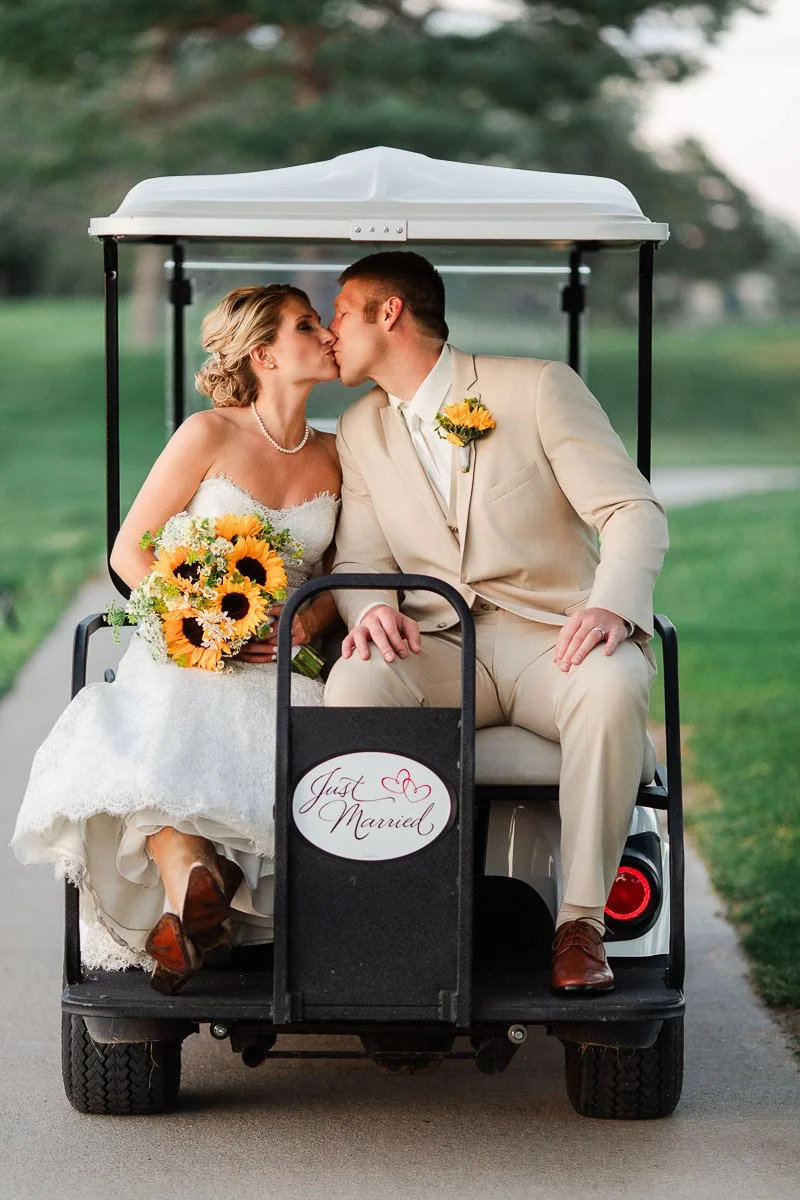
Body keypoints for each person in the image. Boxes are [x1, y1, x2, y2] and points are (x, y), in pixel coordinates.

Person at [324, 251, 669, 995]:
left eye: (342, 311)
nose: (330, 329)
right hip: (443, 644)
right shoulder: (359, 426)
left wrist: (610, 604)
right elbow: (360, 551)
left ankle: (580, 925)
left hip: (556, 640)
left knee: (613, 687)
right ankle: (383, 916)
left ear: (390, 313)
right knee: (355, 681)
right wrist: (371, 607)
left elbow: (630, 510)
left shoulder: (537, 388)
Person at [12, 284, 341, 993]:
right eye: (309, 325)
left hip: (288, 661)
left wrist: (305, 622)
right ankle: (196, 884)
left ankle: (193, 896)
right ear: (264, 353)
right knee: (162, 737)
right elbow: (131, 551)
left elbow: (346, 578)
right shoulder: (208, 433)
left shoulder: (340, 454)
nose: (328, 333)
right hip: (190, 653)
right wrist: (197, 625)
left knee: (283, 751)